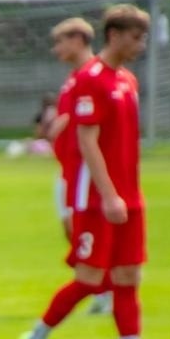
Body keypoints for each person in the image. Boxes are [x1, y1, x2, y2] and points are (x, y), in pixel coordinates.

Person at [17, 4, 170, 339]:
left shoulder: (127, 81)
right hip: (96, 198)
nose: (141, 45)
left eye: (143, 37)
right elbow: (87, 141)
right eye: (136, 37)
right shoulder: (90, 79)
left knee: (128, 276)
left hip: (129, 195)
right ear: (114, 35)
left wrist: (126, 194)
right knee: (89, 278)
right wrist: (108, 196)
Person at [43, 17, 111, 317]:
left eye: (60, 41)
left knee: (84, 233)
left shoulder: (93, 76)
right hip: (68, 169)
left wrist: (64, 122)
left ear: (78, 40)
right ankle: (101, 287)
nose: (56, 48)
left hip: (85, 173)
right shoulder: (74, 78)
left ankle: (105, 289)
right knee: (72, 232)